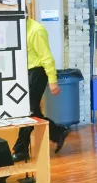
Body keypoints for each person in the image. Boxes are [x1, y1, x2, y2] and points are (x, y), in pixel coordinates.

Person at [12, 18, 69, 162]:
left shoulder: (37, 30)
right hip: (27, 73)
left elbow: (47, 57)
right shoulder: (18, 29)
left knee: (28, 111)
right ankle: (58, 132)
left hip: (38, 73)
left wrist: (53, 81)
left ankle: (21, 150)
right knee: (34, 112)